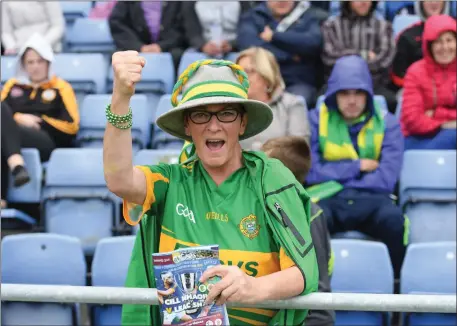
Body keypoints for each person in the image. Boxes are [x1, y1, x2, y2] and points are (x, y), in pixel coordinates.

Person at [104, 52, 318, 326]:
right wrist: (121, 97)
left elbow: (303, 272)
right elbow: (118, 180)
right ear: (187, 125)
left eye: (227, 114)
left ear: (242, 124)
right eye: (201, 115)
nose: (214, 125)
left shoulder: (272, 179)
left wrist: (252, 288)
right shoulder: (171, 182)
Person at [306, 55, 407, 277]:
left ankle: (397, 289)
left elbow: (386, 179)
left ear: (368, 95)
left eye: (358, 93)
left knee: (395, 222)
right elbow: (310, 172)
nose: (351, 100)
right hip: (327, 199)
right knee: (308, 221)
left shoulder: (387, 122)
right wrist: (356, 166)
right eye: (344, 93)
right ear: (334, 95)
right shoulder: (315, 119)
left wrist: (334, 175)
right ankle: (314, 291)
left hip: (372, 199)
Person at [261, 136, 335, 326]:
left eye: (263, 167)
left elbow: (317, 292)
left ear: (281, 176)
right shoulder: (266, 208)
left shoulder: (309, 215)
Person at [1, 34, 79, 208]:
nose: (35, 67)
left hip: (45, 140)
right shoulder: (13, 85)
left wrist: (41, 122)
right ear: (23, 64)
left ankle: (6, 188)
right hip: (13, 137)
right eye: (30, 62)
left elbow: (72, 126)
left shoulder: (61, 87)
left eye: (40, 61)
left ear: (48, 62)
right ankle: (17, 166)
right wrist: (18, 118)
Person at [237, 0, 328, 107]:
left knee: (297, 103)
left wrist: (274, 36)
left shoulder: (309, 15)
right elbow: (249, 45)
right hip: (263, 80)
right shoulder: (253, 16)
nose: (282, 1)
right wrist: (289, 55)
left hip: (298, 82)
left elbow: (313, 43)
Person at [321, 0, 397, 113]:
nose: (364, 2)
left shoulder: (384, 26)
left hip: (374, 84)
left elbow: (385, 60)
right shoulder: (330, 26)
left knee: (391, 101)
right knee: (317, 100)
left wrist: (347, 60)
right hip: (338, 84)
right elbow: (329, 57)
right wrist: (364, 55)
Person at [235, 47, 311, 150]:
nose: (241, 78)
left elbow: (299, 152)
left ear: (267, 74)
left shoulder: (292, 104)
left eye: (249, 71)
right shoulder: (231, 107)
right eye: (238, 73)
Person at [401, 14, 456, 150]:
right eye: (438, 42)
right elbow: (412, 120)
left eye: (449, 40)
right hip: (418, 139)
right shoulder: (415, 72)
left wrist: (437, 113)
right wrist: (446, 124)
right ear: (429, 45)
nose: (444, 47)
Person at [390, 0, 451, 92]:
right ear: (420, 3)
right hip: (416, 90)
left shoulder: (454, 30)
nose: (434, 3)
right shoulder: (407, 36)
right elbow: (398, 76)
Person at [108, 1, 186, 68]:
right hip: (134, 47)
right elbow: (117, 24)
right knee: (119, 57)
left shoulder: (178, 3)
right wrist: (139, 47)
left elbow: (182, 28)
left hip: (169, 49)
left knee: (182, 57)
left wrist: (161, 46)